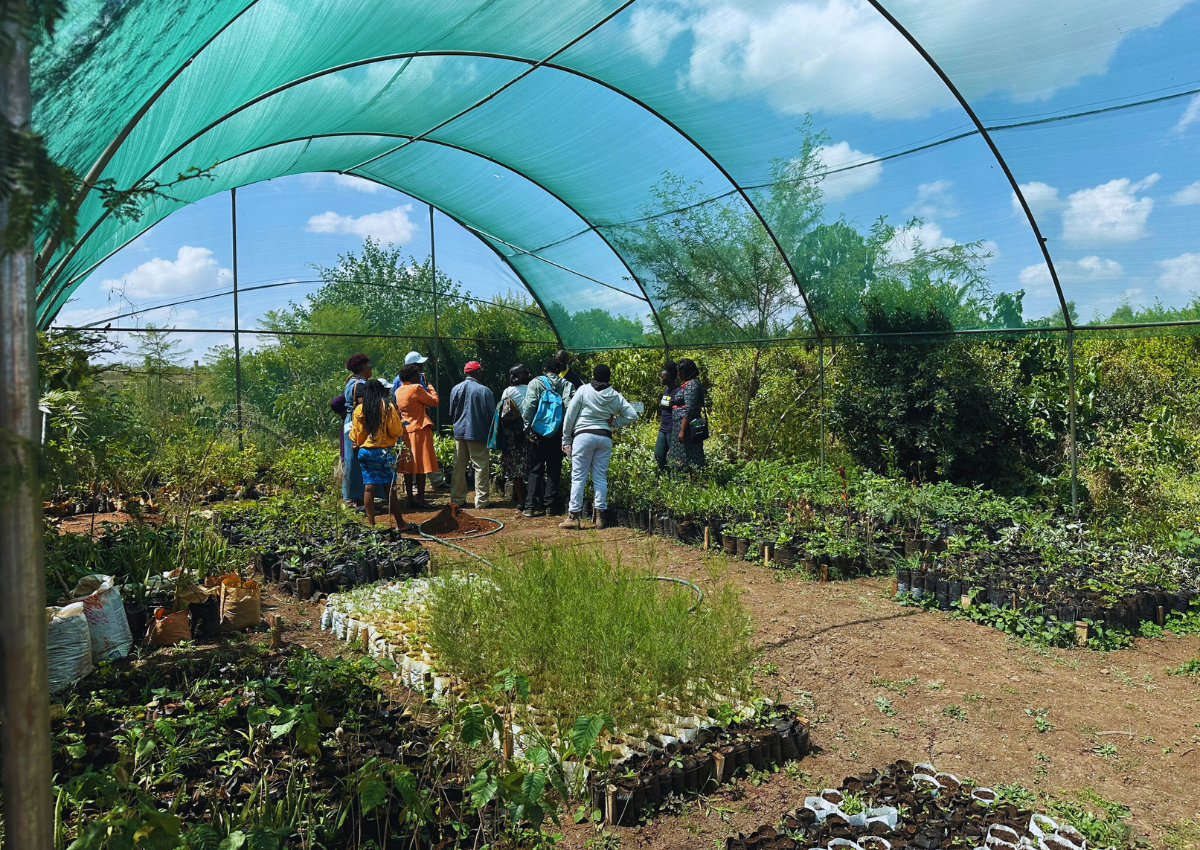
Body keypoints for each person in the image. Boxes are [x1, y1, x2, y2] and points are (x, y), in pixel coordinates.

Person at [560, 364, 638, 530]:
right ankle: (600, 517)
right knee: (600, 477)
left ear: (593, 376)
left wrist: (566, 438)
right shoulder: (615, 395)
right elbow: (632, 415)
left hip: (584, 436)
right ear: (609, 378)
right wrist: (615, 422)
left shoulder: (583, 390)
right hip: (604, 437)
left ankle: (574, 517)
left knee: (578, 476)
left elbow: (570, 415)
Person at [349, 378, 414, 531]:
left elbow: (357, 436)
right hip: (383, 452)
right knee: (389, 489)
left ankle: (371, 527)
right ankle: (400, 524)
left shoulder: (359, 409)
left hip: (365, 452)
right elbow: (396, 431)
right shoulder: (387, 406)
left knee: (368, 488)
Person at [520, 358, 574, 516]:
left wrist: (526, 428)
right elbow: (571, 410)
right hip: (557, 432)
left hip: (538, 432)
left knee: (535, 468)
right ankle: (550, 507)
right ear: (559, 369)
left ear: (545, 369)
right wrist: (567, 432)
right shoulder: (567, 385)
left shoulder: (536, 383)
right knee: (554, 468)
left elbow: (529, 406)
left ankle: (530, 506)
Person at [449, 360, 495, 508]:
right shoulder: (485, 391)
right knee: (480, 466)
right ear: (477, 372)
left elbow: (452, 412)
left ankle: (457, 499)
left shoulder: (455, 389)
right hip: (478, 433)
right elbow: (491, 415)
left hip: (460, 433)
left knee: (458, 467)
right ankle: (481, 501)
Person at [394, 362, 440, 508]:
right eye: (418, 375)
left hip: (406, 431)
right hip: (420, 430)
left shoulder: (398, 391)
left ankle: (409, 499)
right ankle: (421, 498)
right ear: (413, 377)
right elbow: (434, 402)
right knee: (421, 467)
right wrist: (429, 386)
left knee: (408, 467)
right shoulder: (417, 388)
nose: (419, 377)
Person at [499, 364, 534, 511]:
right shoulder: (533, 389)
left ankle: (521, 501)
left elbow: (503, 412)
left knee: (516, 470)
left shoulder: (507, 391)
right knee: (533, 468)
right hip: (532, 434)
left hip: (514, 435)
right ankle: (533, 499)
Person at [341, 353, 372, 506]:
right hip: (357, 423)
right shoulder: (360, 385)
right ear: (363, 368)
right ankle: (358, 499)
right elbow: (363, 408)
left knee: (350, 459)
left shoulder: (350, 383)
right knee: (358, 459)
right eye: (369, 366)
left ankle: (350, 496)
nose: (371, 368)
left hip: (349, 422)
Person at [668, 358, 707, 470]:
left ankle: (691, 481)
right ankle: (685, 481)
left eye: (679, 371)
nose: (678, 374)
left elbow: (690, 409)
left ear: (685, 372)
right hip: (684, 426)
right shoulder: (689, 384)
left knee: (690, 457)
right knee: (684, 456)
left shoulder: (692, 385)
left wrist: (682, 430)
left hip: (688, 427)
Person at [655, 361, 679, 472]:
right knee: (658, 455)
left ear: (669, 377)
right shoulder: (666, 391)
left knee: (674, 457)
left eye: (662, 377)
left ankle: (677, 480)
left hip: (672, 428)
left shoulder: (678, 391)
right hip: (663, 428)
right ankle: (666, 476)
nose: (661, 378)